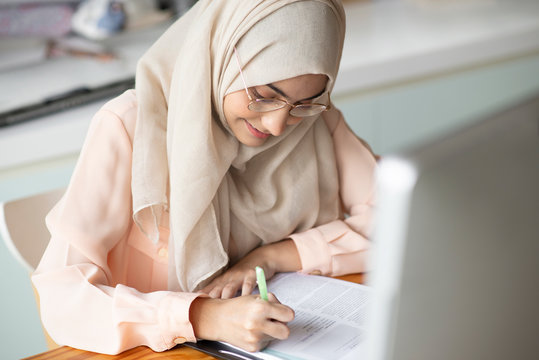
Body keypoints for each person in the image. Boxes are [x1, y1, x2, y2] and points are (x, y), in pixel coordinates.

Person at [32, 0, 376, 355]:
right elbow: (62, 298)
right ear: (221, 55)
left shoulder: (315, 123)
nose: (277, 125)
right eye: (262, 95)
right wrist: (202, 316)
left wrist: (272, 257)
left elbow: (403, 218)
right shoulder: (132, 128)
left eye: (304, 104)